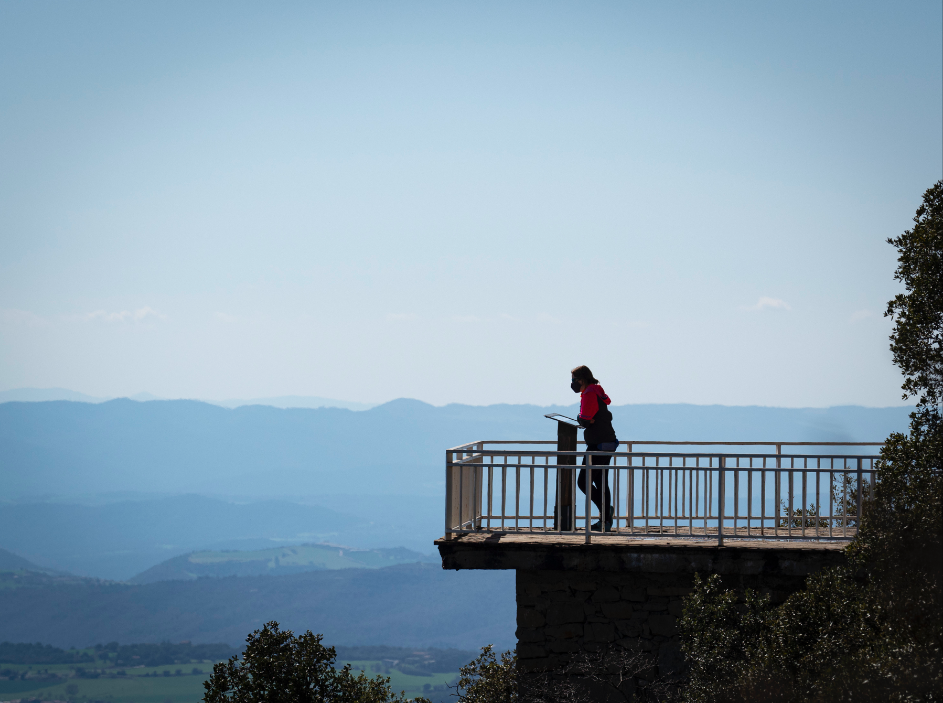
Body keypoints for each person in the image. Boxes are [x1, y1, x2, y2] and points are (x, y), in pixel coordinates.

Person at [571, 365, 618, 531]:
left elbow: (585, 418)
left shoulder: (590, 393)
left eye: (574, 380)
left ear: (582, 379)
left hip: (598, 444)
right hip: (608, 442)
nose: (572, 383)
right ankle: (605, 520)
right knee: (601, 481)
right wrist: (586, 420)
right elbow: (589, 419)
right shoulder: (597, 391)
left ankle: (606, 513)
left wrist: (580, 418)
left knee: (583, 482)